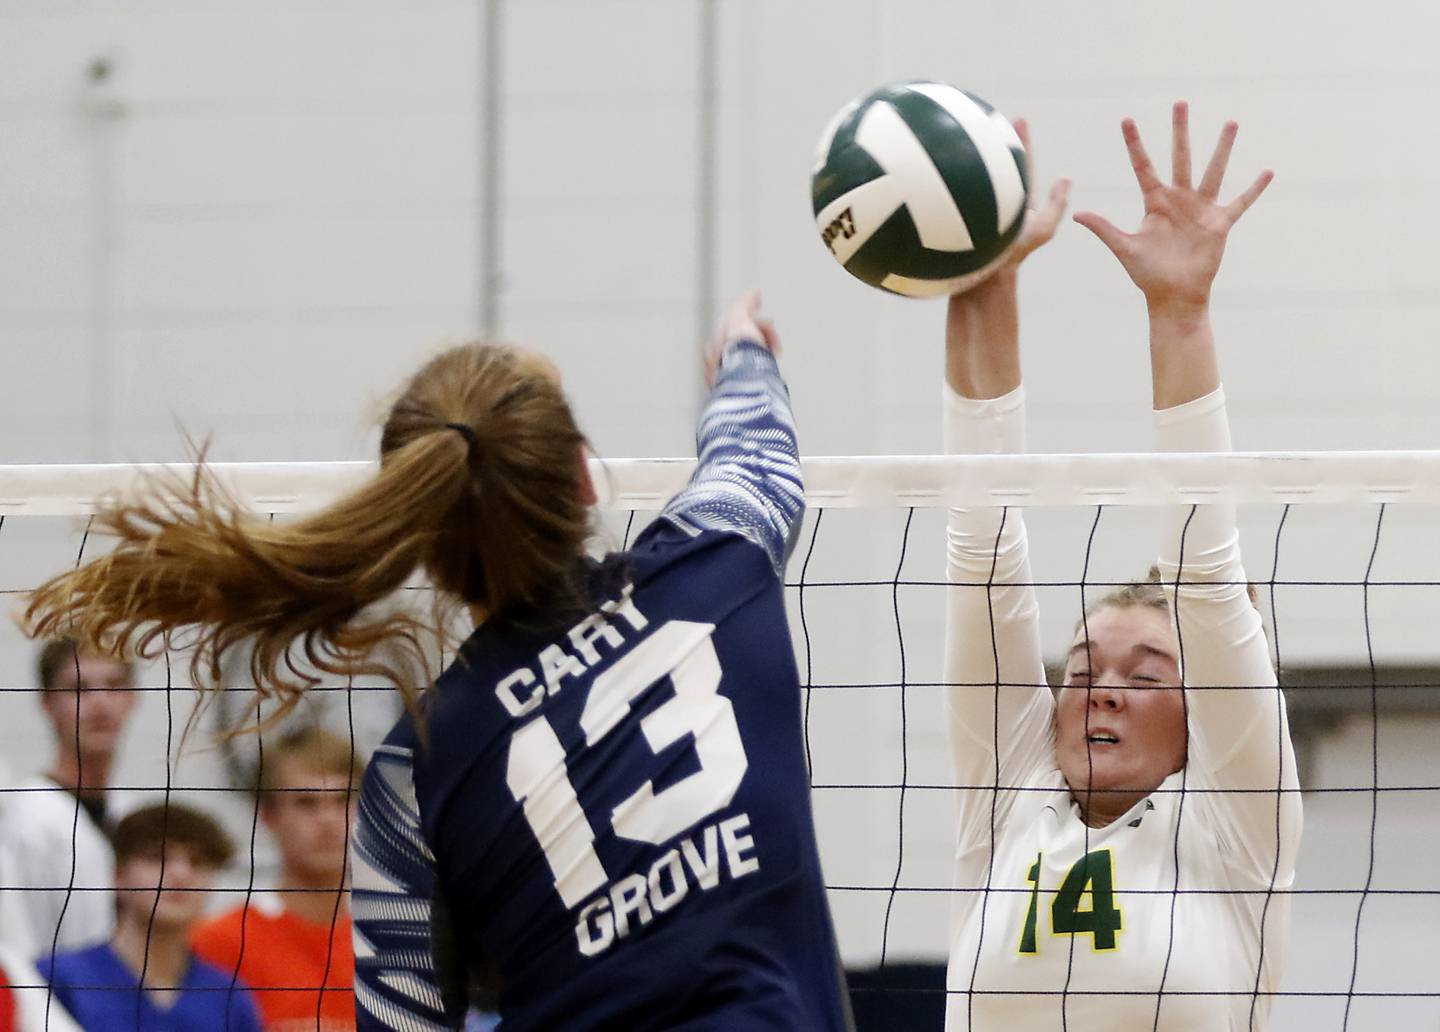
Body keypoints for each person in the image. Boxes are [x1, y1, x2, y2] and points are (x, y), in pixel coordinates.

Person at [24, 291, 854, 1030]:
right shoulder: (716, 567)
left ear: (424, 544)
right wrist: (744, 353)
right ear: (585, 476)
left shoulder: (411, 773)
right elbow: (753, 446)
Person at [941, 104, 1301, 1030]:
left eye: (1145, 678)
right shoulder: (1013, 795)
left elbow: (1207, 573)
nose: (1101, 691)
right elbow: (983, 549)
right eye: (1086, 670)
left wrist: (1179, 312)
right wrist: (983, 283)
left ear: (1201, 718)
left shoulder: (1233, 829)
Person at [38, 803, 264, 1032]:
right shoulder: (58, 979)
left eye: (197, 862)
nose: (181, 874)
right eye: (158, 858)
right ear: (118, 876)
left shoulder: (229, 997)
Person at [191, 727, 361, 1031]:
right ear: (268, 815)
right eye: (305, 803)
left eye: (342, 799)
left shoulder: (398, 942)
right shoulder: (221, 942)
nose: (328, 820)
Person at [0, 640, 139, 960]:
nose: (100, 704)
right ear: (48, 704)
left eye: (114, 686)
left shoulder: (135, 815)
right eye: (80, 689)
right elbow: (22, 955)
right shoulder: (28, 822)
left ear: (132, 699)